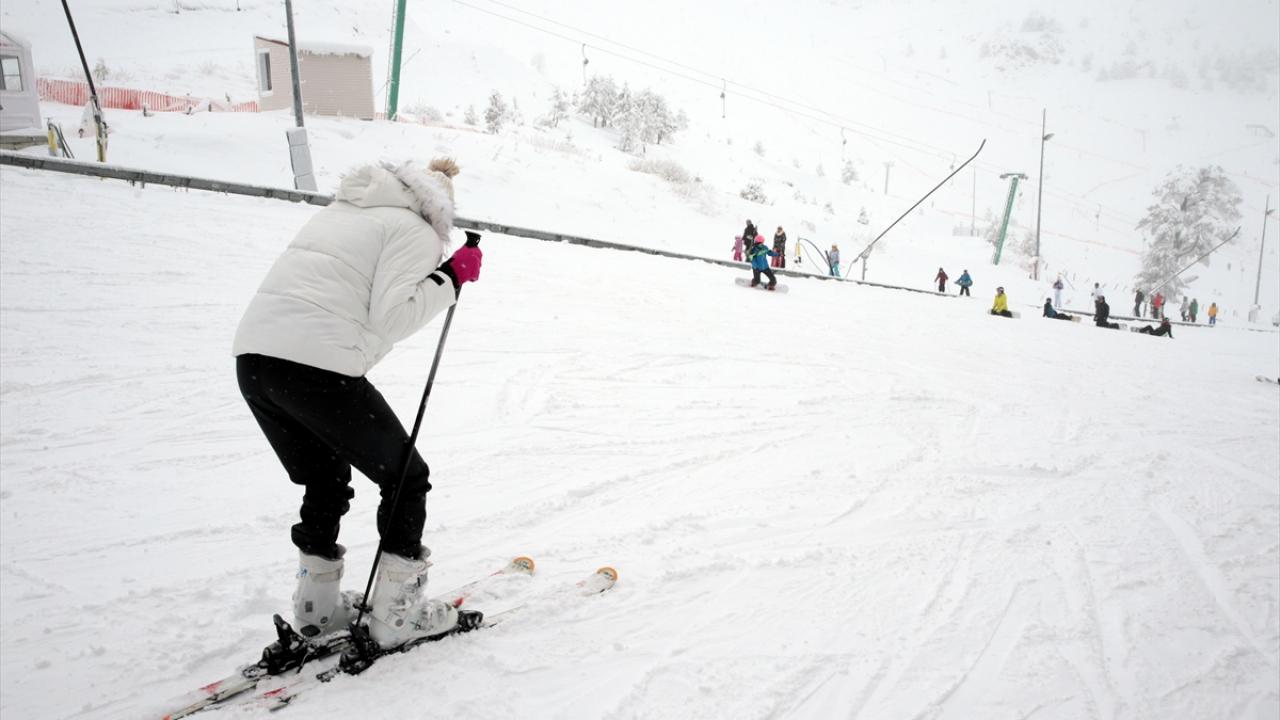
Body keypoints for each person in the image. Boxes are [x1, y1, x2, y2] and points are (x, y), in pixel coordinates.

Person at [233, 157, 482, 650]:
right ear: (440, 204)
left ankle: (317, 609)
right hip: (315, 365)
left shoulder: (343, 211)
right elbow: (391, 318)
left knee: (326, 476)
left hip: (256, 362)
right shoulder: (415, 228)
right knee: (406, 477)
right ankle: (395, 617)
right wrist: (450, 278)